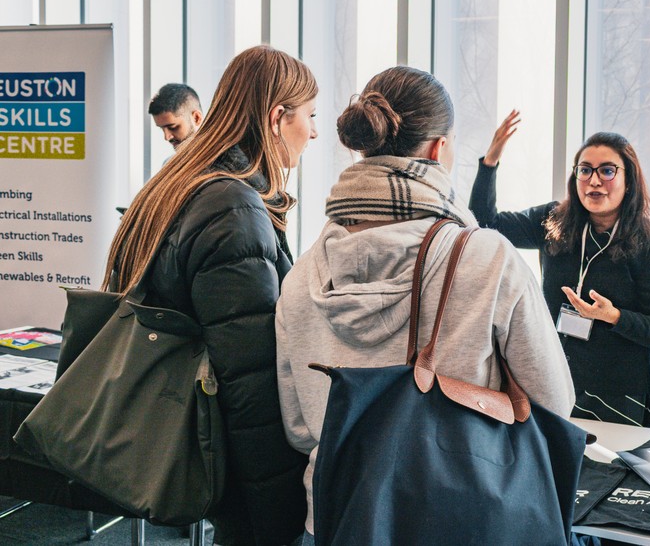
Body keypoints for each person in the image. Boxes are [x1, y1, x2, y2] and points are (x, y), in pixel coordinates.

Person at [275, 67, 575, 546]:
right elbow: (554, 403)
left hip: (339, 516)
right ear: (439, 150)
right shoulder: (488, 258)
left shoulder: (302, 275)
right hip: (460, 516)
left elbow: (297, 428)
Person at [103, 45, 318, 546]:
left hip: (178, 433)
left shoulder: (178, 184)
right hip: (232, 462)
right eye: (309, 116)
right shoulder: (233, 206)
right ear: (275, 117)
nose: (312, 132)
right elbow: (250, 377)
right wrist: (278, 511)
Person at [469, 109, 650, 427]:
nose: (594, 180)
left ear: (629, 180)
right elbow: (485, 224)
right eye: (585, 170)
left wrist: (613, 317)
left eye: (607, 171)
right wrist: (490, 162)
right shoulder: (555, 221)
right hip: (550, 382)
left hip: (614, 399)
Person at [149, 82, 204, 150]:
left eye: (172, 127)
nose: (167, 137)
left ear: (196, 118)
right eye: (162, 128)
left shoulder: (219, 158)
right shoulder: (169, 160)